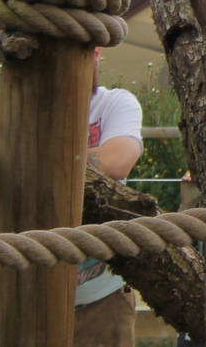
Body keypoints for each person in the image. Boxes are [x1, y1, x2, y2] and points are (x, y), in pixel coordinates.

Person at [74, 46, 145, 347]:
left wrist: (38, 157)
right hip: (27, 291)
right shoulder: (13, 108)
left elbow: (117, 162)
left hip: (101, 294)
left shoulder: (115, 102)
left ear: (96, 52)